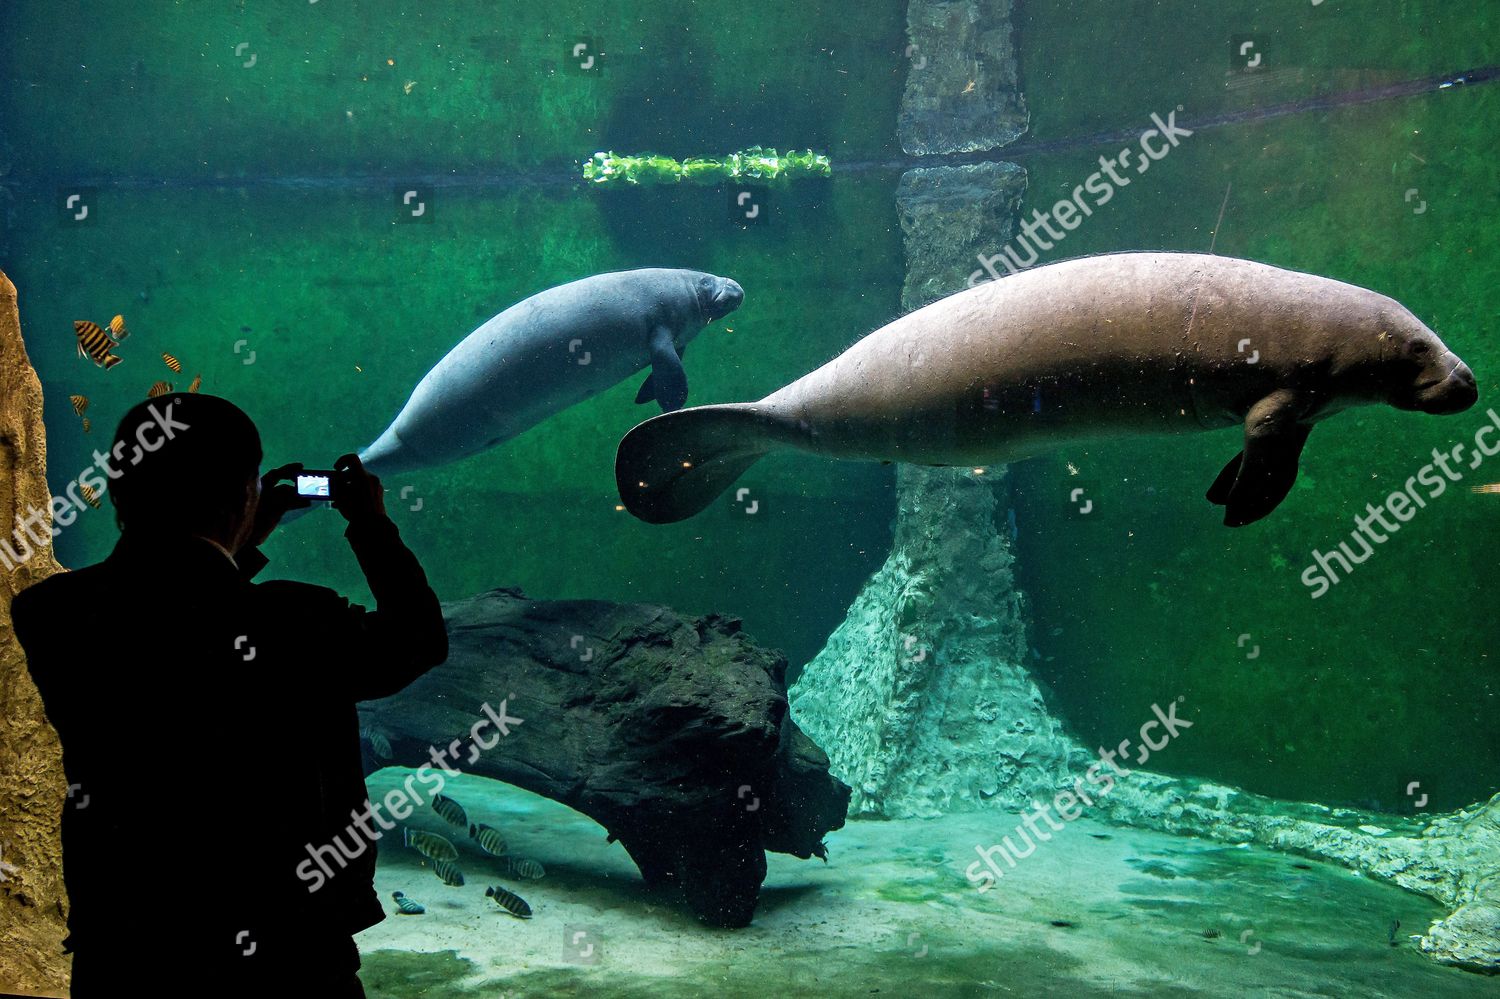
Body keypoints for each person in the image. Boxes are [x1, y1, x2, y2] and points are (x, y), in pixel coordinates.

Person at [10, 393, 448, 997]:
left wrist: (239, 533)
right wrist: (369, 523)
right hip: (287, 958)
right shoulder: (301, 620)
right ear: (245, 495)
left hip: (126, 951)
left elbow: (173, 614)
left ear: (115, 489)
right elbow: (417, 639)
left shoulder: (50, 613)